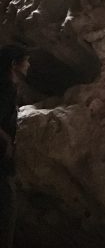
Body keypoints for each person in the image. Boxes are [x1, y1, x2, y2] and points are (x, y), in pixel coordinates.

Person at [0, 45, 29, 248]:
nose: (29, 64)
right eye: (26, 60)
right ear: (13, 64)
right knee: (7, 211)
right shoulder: (6, 88)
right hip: (2, 159)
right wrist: (7, 142)